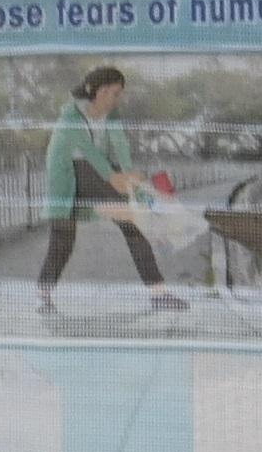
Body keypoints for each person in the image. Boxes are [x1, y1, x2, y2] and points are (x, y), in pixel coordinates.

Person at [32, 63, 177, 317]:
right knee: (62, 243)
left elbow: (120, 146)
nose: (117, 99)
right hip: (68, 178)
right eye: (113, 93)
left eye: (119, 93)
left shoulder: (112, 116)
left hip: (95, 173)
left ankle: (159, 293)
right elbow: (90, 153)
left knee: (131, 222)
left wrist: (129, 176)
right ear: (96, 91)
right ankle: (43, 297)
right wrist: (116, 177)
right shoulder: (70, 117)